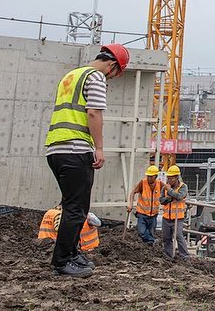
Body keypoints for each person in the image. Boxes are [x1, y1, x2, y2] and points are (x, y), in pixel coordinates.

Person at [44, 43, 129, 277]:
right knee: (76, 209)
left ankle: (72, 254)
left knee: (74, 207)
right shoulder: (96, 77)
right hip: (75, 148)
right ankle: (62, 261)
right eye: (115, 74)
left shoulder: (71, 76)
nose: (111, 78)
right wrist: (99, 147)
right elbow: (94, 112)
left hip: (56, 148)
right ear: (112, 65)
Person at [160, 165, 190, 260]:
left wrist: (170, 191)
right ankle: (169, 256)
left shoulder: (183, 187)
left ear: (177, 177)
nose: (169, 180)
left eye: (171, 178)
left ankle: (185, 256)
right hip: (166, 217)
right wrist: (170, 198)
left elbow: (179, 196)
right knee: (166, 238)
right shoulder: (165, 187)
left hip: (178, 217)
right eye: (168, 178)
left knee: (178, 236)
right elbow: (161, 200)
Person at [127, 165, 163, 244]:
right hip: (142, 214)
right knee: (142, 232)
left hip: (153, 215)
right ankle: (153, 241)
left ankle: (149, 246)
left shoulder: (160, 184)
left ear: (156, 176)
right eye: (148, 176)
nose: (149, 178)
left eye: (151, 176)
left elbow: (167, 191)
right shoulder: (143, 183)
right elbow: (133, 193)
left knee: (151, 233)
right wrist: (130, 204)